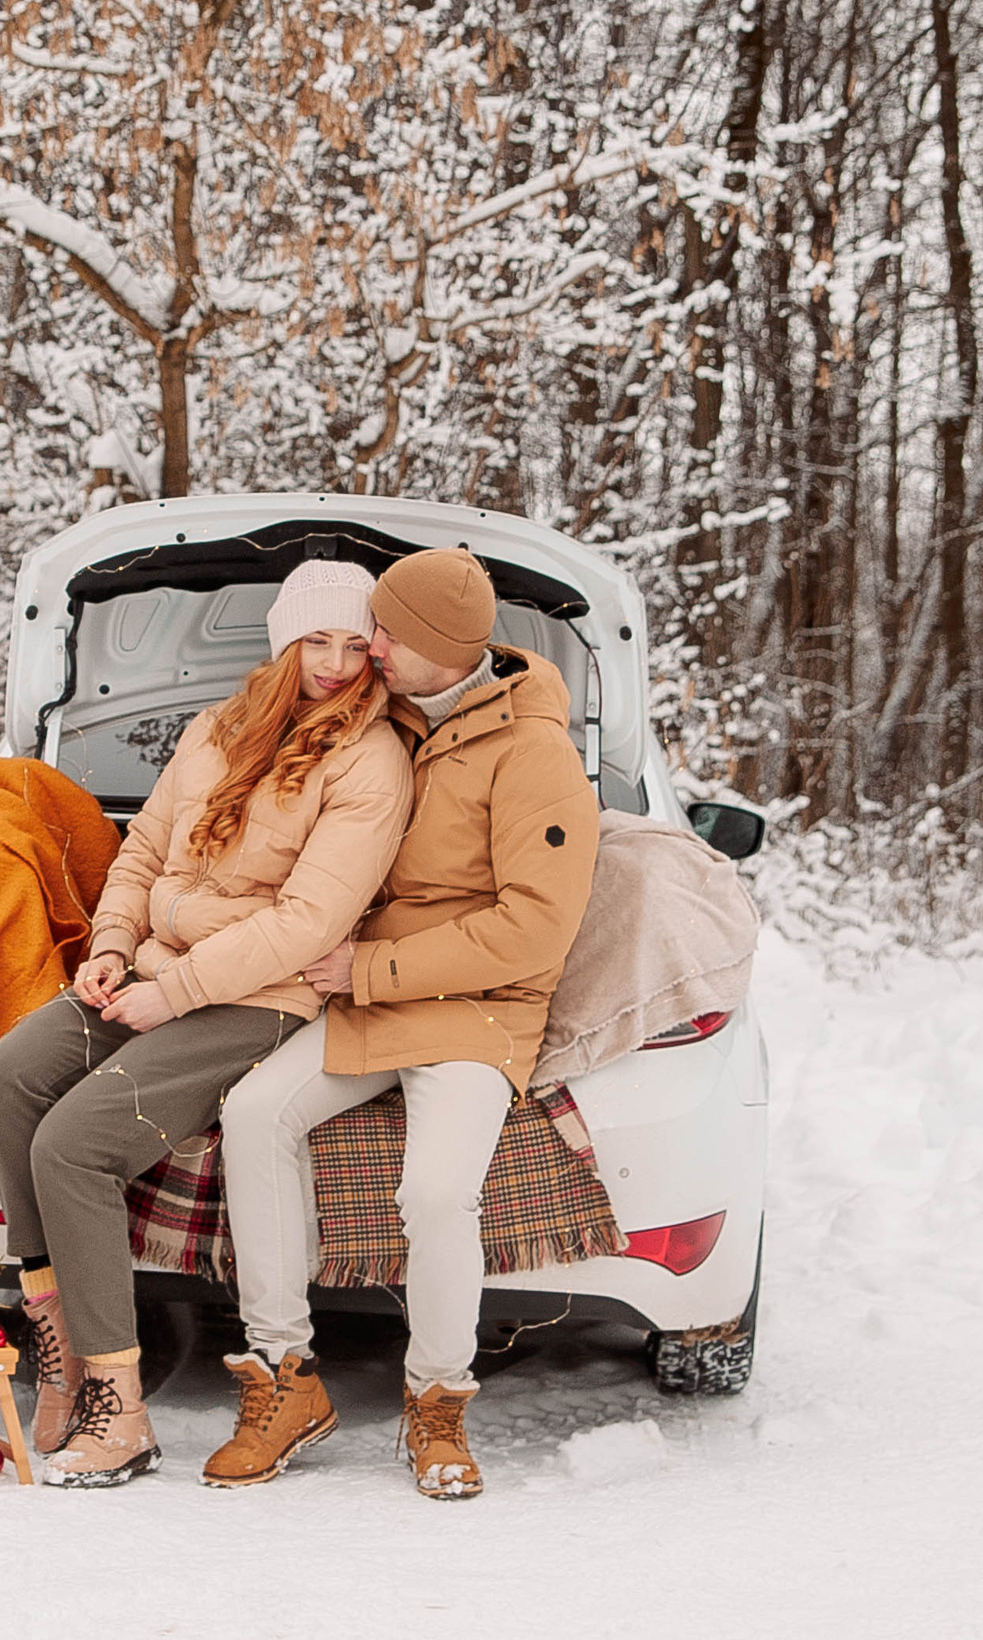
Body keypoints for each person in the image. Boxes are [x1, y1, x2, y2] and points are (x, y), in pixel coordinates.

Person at [0, 560, 413, 1488]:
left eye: (354, 645)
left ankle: (119, 1410)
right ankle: (60, 1341)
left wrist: (172, 993)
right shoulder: (216, 729)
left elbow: (308, 922)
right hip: (150, 965)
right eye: (316, 640)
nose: (335, 664)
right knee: (12, 1074)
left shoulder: (370, 761)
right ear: (283, 640)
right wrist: (111, 945)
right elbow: (142, 849)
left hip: (259, 997)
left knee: (76, 1145)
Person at [208, 547, 601, 1500]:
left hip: (477, 1009)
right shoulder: (391, 711)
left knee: (435, 1194)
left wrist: (368, 968)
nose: (367, 645)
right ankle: (284, 1377)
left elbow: (534, 929)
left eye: (384, 631)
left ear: (438, 647)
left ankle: (436, 1403)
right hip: (372, 996)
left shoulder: (535, 754)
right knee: (254, 1114)